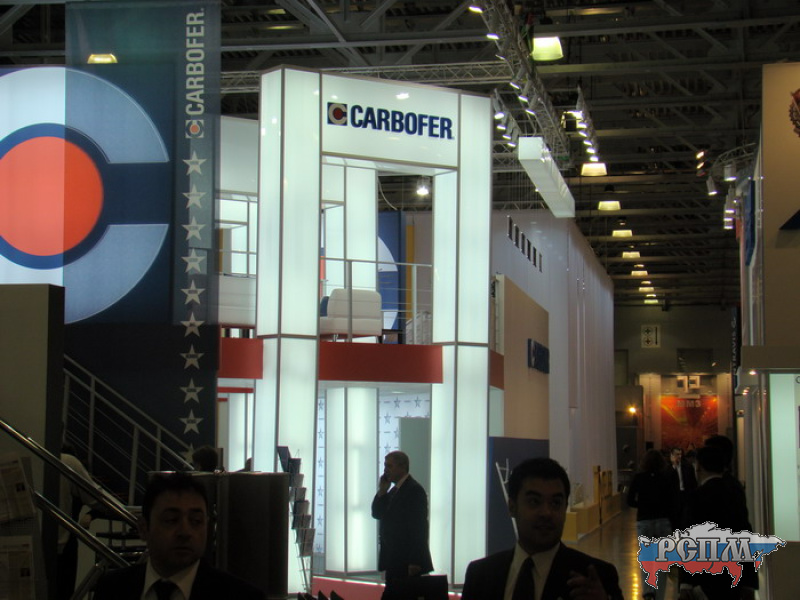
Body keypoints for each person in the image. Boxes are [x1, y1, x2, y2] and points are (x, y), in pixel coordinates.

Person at [461, 457, 624, 600]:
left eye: (555, 503)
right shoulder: (481, 575)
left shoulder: (594, 578)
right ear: (512, 507)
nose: (546, 513)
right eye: (534, 502)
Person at [92, 472, 264, 600]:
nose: (185, 532)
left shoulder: (241, 596)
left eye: (196, 521)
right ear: (143, 528)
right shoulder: (112, 589)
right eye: (171, 520)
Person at [678, 445, 757, 600]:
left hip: (704, 579)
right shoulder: (734, 493)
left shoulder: (696, 497)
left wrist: (686, 582)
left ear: (699, 467)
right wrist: (749, 581)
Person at [371, 451, 434, 599]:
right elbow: (377, 514)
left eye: (389, 466)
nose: (386, 470)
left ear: (402, 467)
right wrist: (382, 492)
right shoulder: (392, 491)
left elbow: (419, 527)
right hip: (393, 558)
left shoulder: (414, 490)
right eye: (385, 466)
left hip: (406, 560)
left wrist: (415, 560)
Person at [57, 444, 105, 600]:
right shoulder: (69, 464)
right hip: (67, 539)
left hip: (64, 536)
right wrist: (91, 514)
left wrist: (91, 514)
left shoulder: (64, 465)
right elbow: (98, 500)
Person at [627, 449, 673, 600]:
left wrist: (641, 505)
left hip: (644, 521)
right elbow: (672, 501)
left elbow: (629, 500)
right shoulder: (666, 478)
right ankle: (659, 595)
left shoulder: (638, 478)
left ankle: (648, 591)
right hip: (662, 521)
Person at [666, 447, 696, 529]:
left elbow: (693, 482)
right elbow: (667, 481)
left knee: (685, 517)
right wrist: (674, 467)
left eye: (680, 454)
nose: (679, 456)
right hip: (673, 496)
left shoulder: (687, 467)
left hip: (685, 494)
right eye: (677, 454)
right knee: (674, 518)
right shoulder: (667, 468)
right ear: (672, 455)